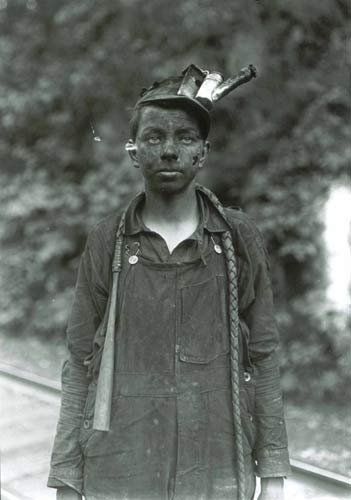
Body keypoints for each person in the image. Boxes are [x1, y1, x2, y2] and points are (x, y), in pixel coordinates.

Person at [48, 65, 290, 500]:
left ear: (203, 152)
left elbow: (264, 357)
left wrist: (272, 475)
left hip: (217, 466)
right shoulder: (109, 241)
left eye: (185, 138)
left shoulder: (235, 238)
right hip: (122, 469)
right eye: (155, 137)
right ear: (133, 151)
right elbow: (80, 361)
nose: (170, 151)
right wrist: (67, 480)